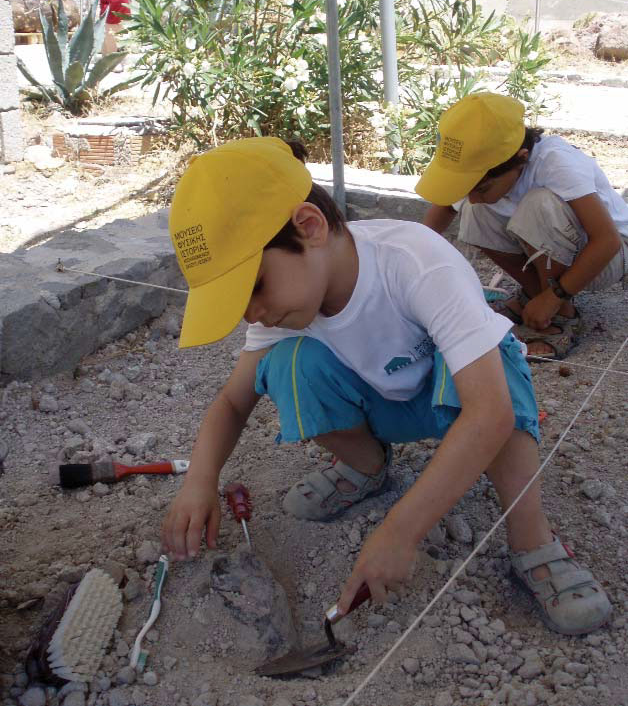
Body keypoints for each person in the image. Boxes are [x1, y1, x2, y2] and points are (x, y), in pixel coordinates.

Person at [161, 136, 612, 636]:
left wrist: (400, 531)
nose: (253, 313)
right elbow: (231, 402)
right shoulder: (285, 310)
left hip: (460, 404)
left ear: (307, 227)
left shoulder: (414, 260)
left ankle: (533, 540)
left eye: (253, 288)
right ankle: (367, 468)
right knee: (290, 364)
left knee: (499, 365)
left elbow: (489, 413)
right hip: (387, 408)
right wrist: (200, 481)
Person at [418, 92, 628, 360]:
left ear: (521, 157)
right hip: (568, 254)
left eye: (481, 188)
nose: (471, 196)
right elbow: (446, 207)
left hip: (608, 258)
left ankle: (562, 312)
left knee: (537, 205)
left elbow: (606, 241)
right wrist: (407, 254)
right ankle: (535, 295)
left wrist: (555, 297)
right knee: (475, 211)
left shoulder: (556, 163)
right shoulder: (487, 170)